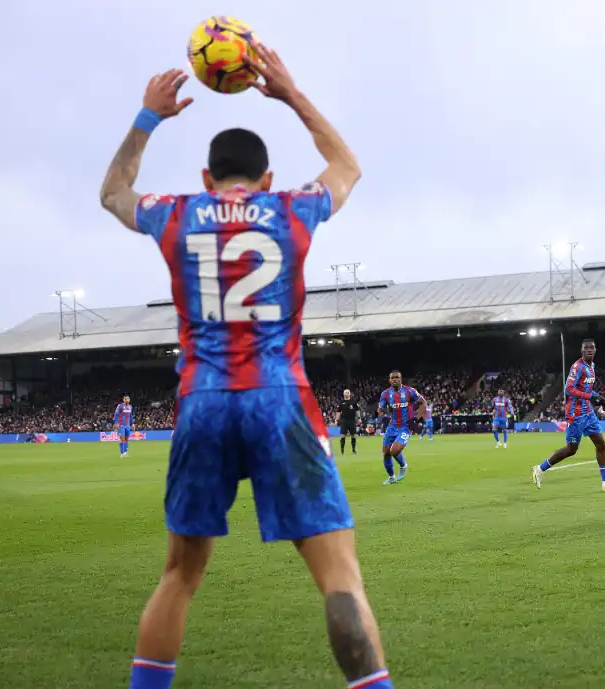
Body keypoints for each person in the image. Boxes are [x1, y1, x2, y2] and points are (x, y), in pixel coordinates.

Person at [98, 47, 393, 689]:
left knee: (179, 575)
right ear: (266, 179)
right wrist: (289, 91)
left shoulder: (178, 213)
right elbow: (348, 167)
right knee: (339, 577)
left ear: (207, 179)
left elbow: (113, 193)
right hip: (279, 398)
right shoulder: (290, 210)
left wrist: (148, 118)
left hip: (202, 401)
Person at [532, 339, 605, 492]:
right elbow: (569, 389)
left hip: (588, 412)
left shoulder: (591, 367)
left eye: (592, 348)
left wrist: (599, 399)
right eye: (586, 348)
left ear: (595, 350)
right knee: (571, 449)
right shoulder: (578, 367)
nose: (589, 350)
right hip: (575, 414)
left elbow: (587, 389)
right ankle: (540, 469)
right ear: (581, 351)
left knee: (601, 444)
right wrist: (590, 397)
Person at [378, 371, 425, 484]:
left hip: (405, 426)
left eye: (397, 377)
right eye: (392, 378)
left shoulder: (410, 391)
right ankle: (391, 477)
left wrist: (416, 419)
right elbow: (381, 409)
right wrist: (381, 415)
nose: (395, 379)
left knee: (394, 450)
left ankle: (403, 466)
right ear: (389, 380)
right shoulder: (385, 394)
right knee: (386, 453)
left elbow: (423, 403)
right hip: (392, 426)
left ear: (401, 379)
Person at [335, 389, 361, 455]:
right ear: (344, 394)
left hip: (352, 420)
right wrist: (336, 420)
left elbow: (357, 410)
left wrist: (359, 418)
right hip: (344, 420)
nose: (347, 394)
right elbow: (338, 412)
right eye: (345, 393)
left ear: (349, 394)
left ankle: (353, 450)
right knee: (343, 435)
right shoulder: (341, 402)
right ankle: (342, 450)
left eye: (348, 393)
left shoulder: (353, 401)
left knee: (353, 435)